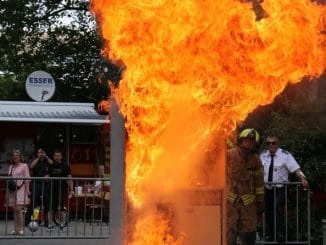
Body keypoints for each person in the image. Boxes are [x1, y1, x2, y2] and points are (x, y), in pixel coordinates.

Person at [260, 135, 308, 242]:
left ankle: (280, 234)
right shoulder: (263, 155)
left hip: (280, 188)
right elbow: (259, 170)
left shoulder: (285, 155)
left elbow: (296, 168)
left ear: (278, 144)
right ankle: (271, 235)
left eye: (273, 143)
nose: (271, 145)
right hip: (267, 189)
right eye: (268, 143)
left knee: (277, 208)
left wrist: (303, 178)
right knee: (268, 211)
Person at [227, 128, 265, 245]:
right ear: (241, 141)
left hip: (248, 204)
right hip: (230, 201)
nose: (249, 143)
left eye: (252, 141)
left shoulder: (256, 160)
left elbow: (259, 183)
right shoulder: (229, 155)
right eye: (246, 140)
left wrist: (260, 202)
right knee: (229, 233)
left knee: (249, 234)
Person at [24, 148, 53, 226]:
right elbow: (31, 167)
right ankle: (27, 221)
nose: (41, 154)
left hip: (46, 184)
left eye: (42, 152)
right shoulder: (35, 161)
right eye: (39, 152)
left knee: (46, 203)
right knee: (33, 202)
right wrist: (38, 157)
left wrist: (46, 157)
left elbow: (53, 165)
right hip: (36, 184)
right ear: (37, 154)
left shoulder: (47, 161)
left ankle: (47, 222)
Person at [47, 150, 73, 231]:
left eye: (59, 155)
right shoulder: (51, 166)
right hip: (51, 189)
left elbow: (69, 178)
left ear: (61, 157)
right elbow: (47, 175)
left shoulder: (65, 166)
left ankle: (62, 224)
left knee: (60, 208)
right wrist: (46, 177)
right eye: (56, 155)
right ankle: (50, 225)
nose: (57, 157)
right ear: (53, 157)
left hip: (62, 189)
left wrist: (71, 189)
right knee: (50, 208)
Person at [5, 149, 30, 235]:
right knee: (14, 210)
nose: (15, 157)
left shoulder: (24, 165)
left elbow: (27, 178)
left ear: (20, 157)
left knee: (19, 209)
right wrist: (7, 192)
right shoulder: (11, 166)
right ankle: (16, 229)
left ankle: (21, 229)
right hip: (12, 191)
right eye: (13, 155)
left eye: (17, 155)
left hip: (21, 189)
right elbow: (9, 180)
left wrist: (28, 190)